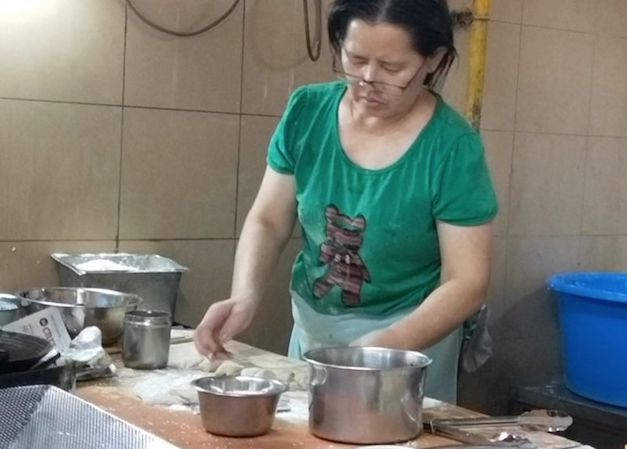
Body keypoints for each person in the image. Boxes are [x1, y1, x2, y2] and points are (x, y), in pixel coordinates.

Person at [193, 0, 498, 402]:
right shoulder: (307, 112)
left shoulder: (452, 148)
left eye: (392, 68)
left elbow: (467, 281)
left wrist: (387, 346)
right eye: (355, 59)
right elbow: (268, 220)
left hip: (406, 347)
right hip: (316, 332)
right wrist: (244, 295)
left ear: (433, 59)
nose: (368, 79)